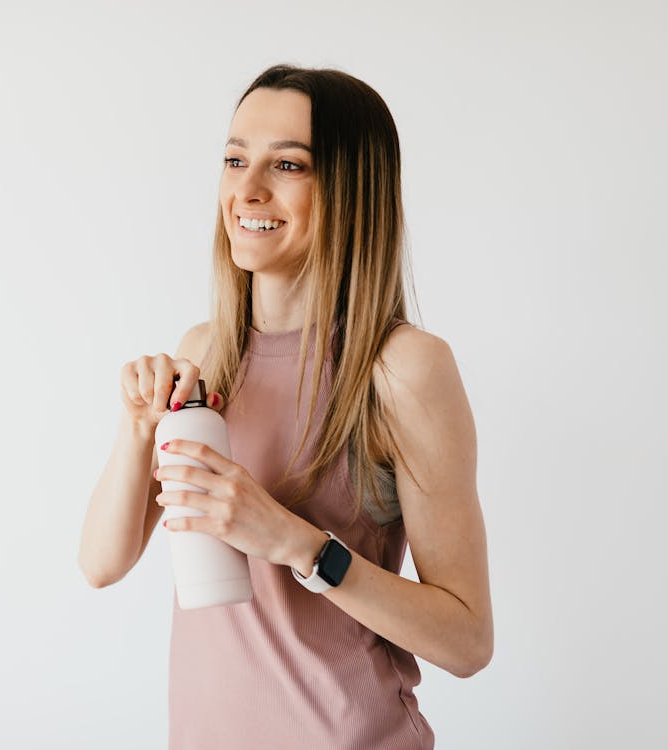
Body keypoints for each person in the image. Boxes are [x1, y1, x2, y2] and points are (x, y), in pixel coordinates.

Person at [77, 64, 493, 749]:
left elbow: (467, 640)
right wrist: (135, 430)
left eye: (288, 164)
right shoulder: (204, 352)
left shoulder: (401, 370)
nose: (246, 189)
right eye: (234, 158)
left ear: (350, 190)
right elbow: (100, 563)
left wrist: (295, 543)